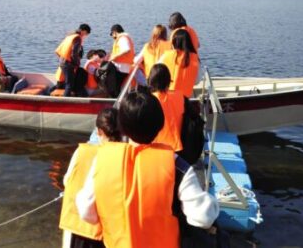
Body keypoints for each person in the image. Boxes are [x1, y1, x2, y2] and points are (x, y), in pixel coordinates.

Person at [76, 91, 219, 248]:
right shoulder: (177, 167)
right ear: (159, 126)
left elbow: (86, 212)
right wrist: (213, 204)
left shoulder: (101, 161)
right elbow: (203, 217)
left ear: (122, 128)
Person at [60, 108, 121, 248]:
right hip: (105, 231)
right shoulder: (121, 156)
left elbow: (67, 180)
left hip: (77, 226)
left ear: (99, 131)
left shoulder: (82, 151)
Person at [148, 64, 184, 152]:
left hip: (156, 147)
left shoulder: (150, 100)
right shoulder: (179, 95)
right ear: (168, 80)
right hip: (177, 146)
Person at [159, 29, 200, 98]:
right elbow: (197, 81)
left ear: (174, 43)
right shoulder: (195, 58)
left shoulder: (167, 55)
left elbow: (157, 72)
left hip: (169, 96)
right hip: (186, 98)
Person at [55, 24, 91, 97]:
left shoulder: (70, 36)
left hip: (62, 61)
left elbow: (59, 50)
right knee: (69, 85)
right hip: (68, 64)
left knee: (68, 83)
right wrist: (77, 63)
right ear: (83, 31)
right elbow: (74, 53)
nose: (85, 36)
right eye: (86, 34)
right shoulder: (77, 38)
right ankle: (64, 102)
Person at [109, 24, 135, 95]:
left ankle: (114, 100)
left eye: (112, 34)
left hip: (121, 67)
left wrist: (114, 57)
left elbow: (126, 49)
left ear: (115, 32)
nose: (112, 37)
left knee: (115, 86)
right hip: (123, 66)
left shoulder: (122, 38)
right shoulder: (125, 38)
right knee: (117, 86)